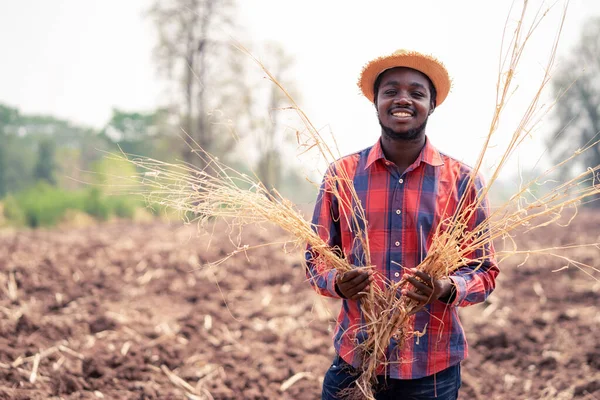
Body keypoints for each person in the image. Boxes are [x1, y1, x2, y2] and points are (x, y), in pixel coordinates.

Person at [305, 49, 499, 400]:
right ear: (376, 102)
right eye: (391, 91)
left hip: (431, 370)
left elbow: (484, 271)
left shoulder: (463, 181)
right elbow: (315, 259)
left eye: (416, 93)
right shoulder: (342, 176)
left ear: (432, 105)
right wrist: (338, 281)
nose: (403, 100)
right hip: (356, 360)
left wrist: (444, 287)